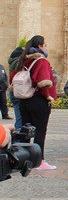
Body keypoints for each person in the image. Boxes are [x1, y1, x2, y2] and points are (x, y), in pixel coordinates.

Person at [9, 35, 57, 170]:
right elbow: (42, 82)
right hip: (38, 101)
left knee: (26, 132)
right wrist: (48, 97)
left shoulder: (23, 61)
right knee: (39, 132)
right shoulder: (41, 61)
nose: (46, 47)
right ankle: (39, 161)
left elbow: (12, 77)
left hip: (24, 101)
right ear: (40, 46)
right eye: (45, 45)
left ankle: (23, 160)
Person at [7, 47, 23, 128]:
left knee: (18, 116)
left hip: (13, 91)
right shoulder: (19, 62)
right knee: (20, 118)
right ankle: (18, 137)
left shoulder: (12, 62)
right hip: (19, 91)